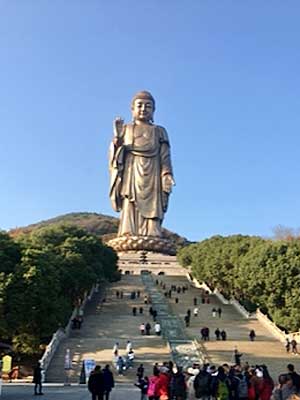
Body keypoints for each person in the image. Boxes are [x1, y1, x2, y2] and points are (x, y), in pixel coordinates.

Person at [109, 90, 175, 238]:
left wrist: (167, 174)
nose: (144, 109)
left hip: (153, 172)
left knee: (154, 204)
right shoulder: (126, 129)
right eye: (140, 106)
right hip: (132, 171)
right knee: (130, 201)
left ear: (153, 110)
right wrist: (118, 140)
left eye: (148, 106)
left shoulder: (159, 131)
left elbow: (165, 156)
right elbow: (116, 156)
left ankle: (153, 233)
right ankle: (128, 232)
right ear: (132, 109)